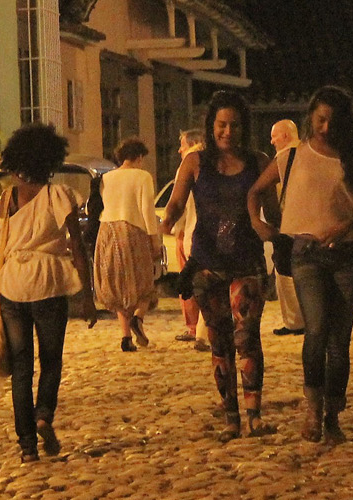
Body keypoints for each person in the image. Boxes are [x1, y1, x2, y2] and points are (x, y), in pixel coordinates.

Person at [248, 86, 353, 444]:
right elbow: (256, 190)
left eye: (333, 122)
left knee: (339, 341)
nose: (325, 128)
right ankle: (312, 410)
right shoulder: (293, 155)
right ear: (310, 116)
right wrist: (260, 221)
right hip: (306, 253)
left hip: (348, 254)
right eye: (321, 119)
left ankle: (333, 414)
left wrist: (348, 224)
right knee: (317, 329)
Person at [161, 91, 273, 438]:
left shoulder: (259, 162)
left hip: (247, 261)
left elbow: (274, 211)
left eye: (235, 125)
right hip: (207, 264)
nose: (228, 132)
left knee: (247, 337)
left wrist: (283, 236)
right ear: (211, 126)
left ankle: (254, 415)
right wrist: (165, 222)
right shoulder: (195, 163)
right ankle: (231, 418)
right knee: (219, 342)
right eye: (222, 125)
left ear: (244, 128)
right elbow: (176, 202)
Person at [0, 124, 89, 462]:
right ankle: (43, 414)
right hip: (48, 282)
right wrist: (87, 294)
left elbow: (1, 247)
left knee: (21, 366)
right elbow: (77, 246)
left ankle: (27, 445)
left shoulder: (9, 198)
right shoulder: (59, 195)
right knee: (51, 359)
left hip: (12, 283)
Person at [95, 139, 161, 352]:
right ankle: (138, 318)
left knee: (118, 284)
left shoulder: (106, 178)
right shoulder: (143, 176)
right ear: (139, 157)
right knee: (143, 281)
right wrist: (154, 239)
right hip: (133, 230)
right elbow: (147, 210)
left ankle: (125, 337)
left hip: (107, 231)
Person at [266, 119, 306, 337]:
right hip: (309, 224)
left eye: (274, 136)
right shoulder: (309, 153)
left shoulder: (283, 158)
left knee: (284, 272)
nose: (272, 141)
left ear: (285, 136)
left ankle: (294, 321)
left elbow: (264, 187)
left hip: (288, 223)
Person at [171, 128, 208, 351]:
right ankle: (203, 330)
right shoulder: (216, 162)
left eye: (182, 145)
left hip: (191, 232)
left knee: (192, 283)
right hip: (205, 232)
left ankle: (196, 328)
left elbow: (179, 202)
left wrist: (176, 229)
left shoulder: (188, 164)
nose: (179, 150)